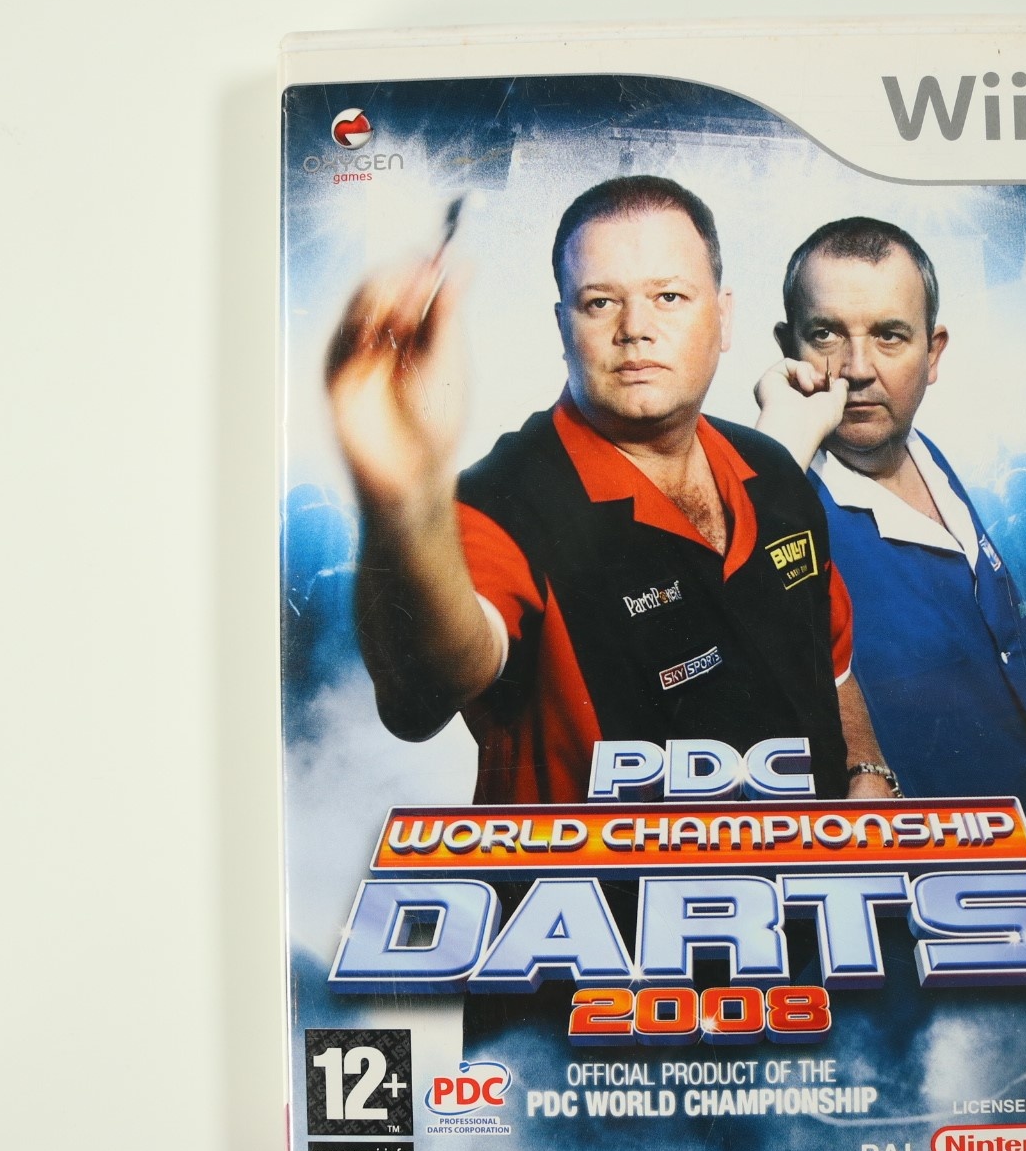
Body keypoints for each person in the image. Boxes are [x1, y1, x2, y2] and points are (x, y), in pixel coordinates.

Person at [326, 177, 894, 804]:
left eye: (669, 296)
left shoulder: (773, 467)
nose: (635, 329)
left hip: (809, 864)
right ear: (562, 326)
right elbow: (421, 694)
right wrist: (405, 502)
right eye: (600, 302)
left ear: (723, 316)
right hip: (597, 873)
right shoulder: (500, 504)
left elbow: (831, 662)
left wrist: (867, 769)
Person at [753, 218, 1026, 1138]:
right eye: (826, 335)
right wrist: (774, 461)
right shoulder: (778, 509)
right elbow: (716, 634)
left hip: (1010, 962)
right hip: (893, 1011)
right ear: (788, 348)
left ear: (934, 352)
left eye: (890, 335)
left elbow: (963, 645)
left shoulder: (926, 458)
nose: (858, 368)